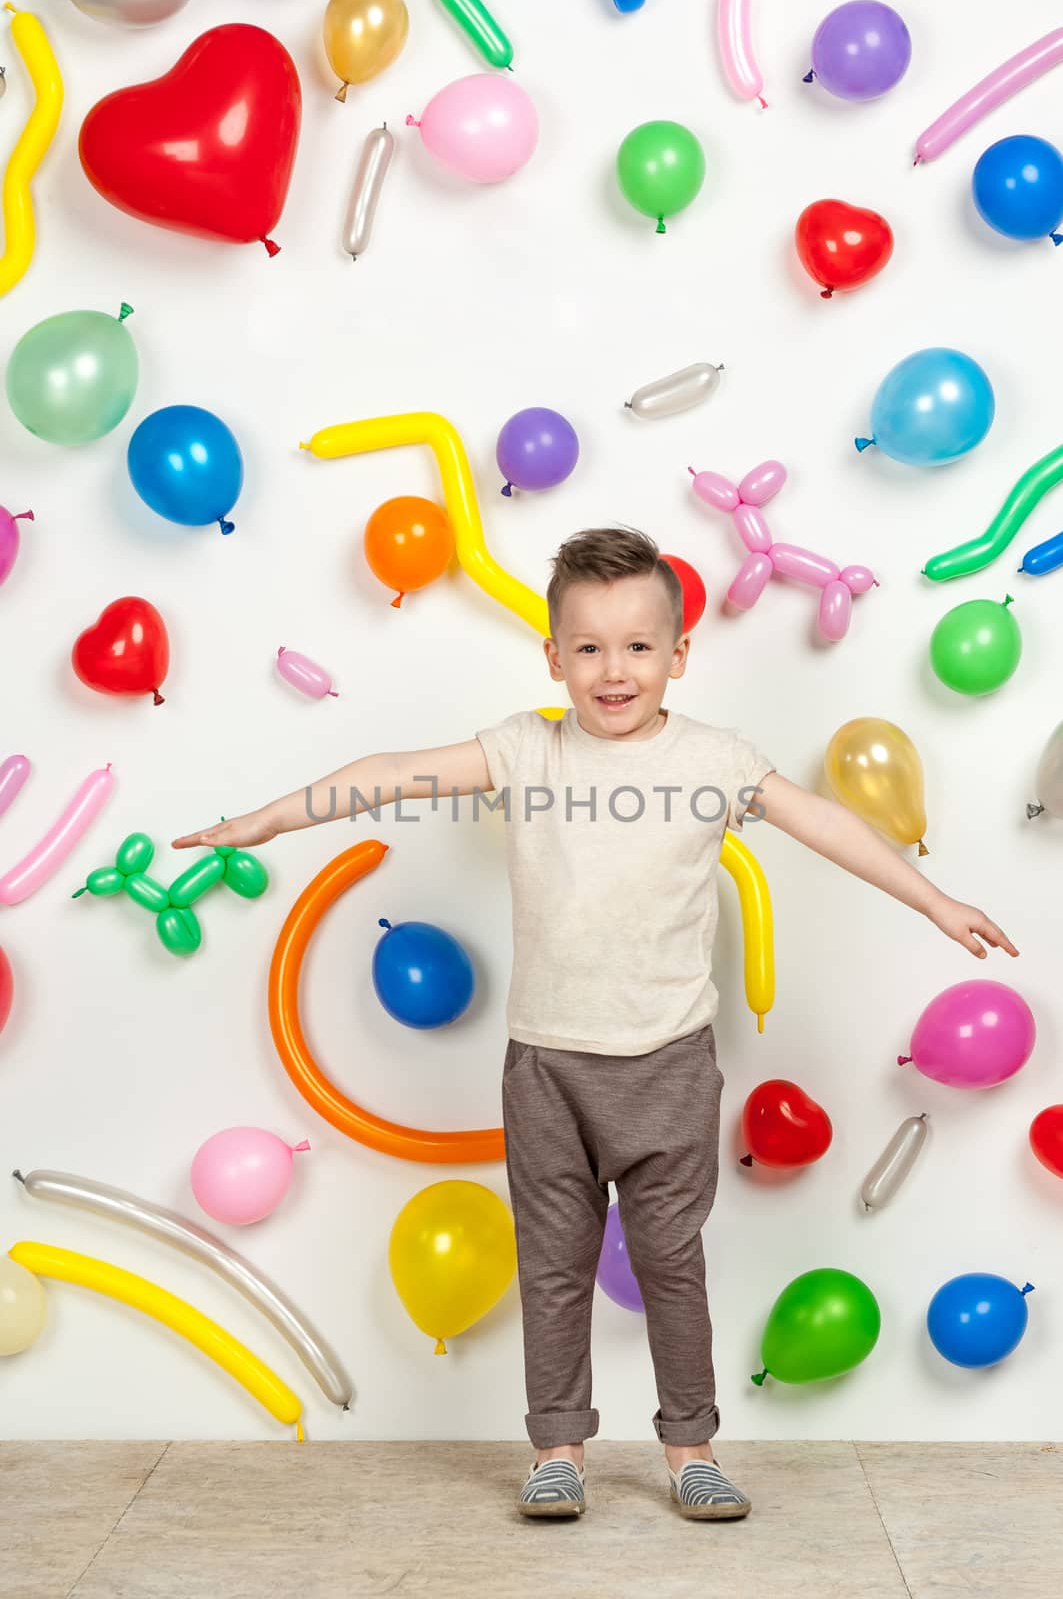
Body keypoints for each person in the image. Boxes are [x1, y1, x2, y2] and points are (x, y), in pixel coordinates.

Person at [174, 527, 1017, 1524]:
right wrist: (271, 817)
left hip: (667, 1063)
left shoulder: (713, 758)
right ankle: (558, 1450)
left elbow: (826, 823)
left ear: (677, 655)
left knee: (671, 1262)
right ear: (552, 658)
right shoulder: (523, 749)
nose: (613, 670)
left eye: (637, 647)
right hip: (546, 1066)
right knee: (555, 1261)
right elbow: (393, 771)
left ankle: (690, 1448)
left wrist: (932, 900)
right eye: (587, 647)